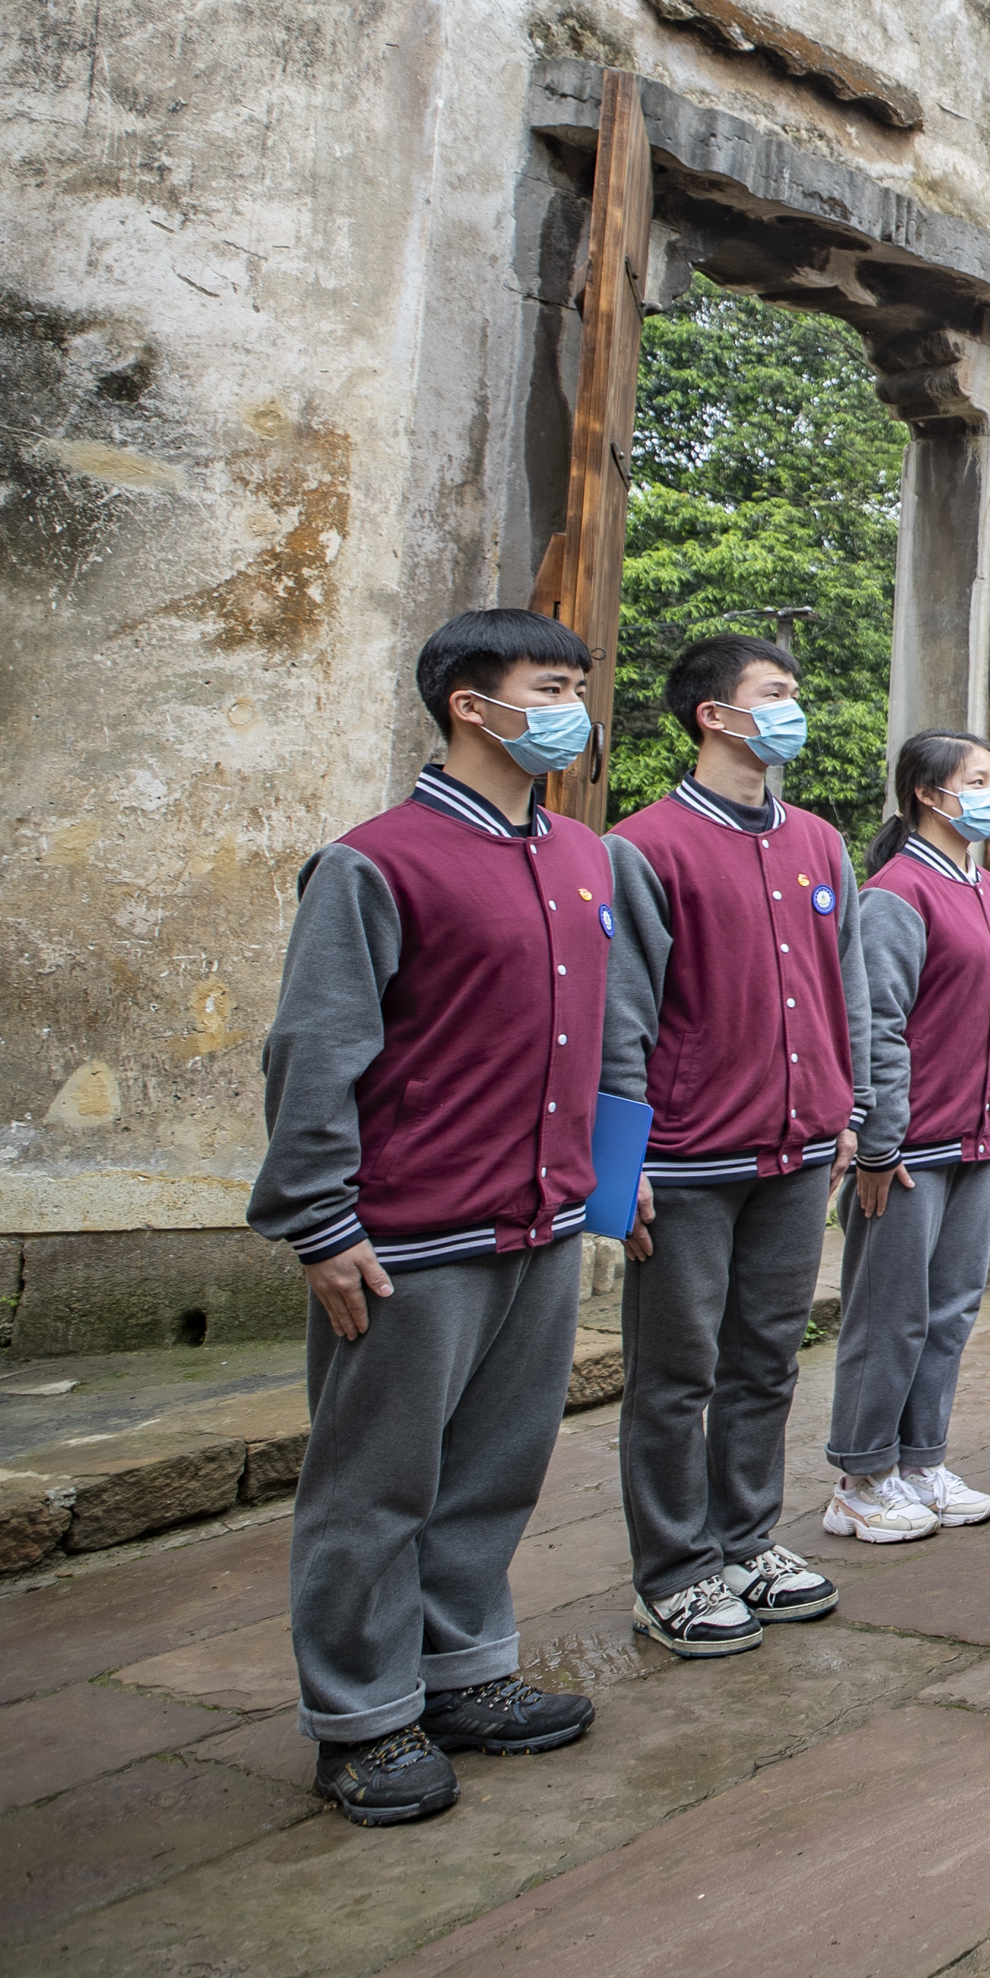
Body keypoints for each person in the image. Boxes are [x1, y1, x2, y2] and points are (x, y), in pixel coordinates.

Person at [250, 607, 609, 1827]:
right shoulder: (377, 862)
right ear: (471, 701)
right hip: (409, 1236)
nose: (574, 707)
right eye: (551, 685)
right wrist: (320, 1223)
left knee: (497, 1472)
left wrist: (606, 1181)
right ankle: (359, 1719)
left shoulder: (578, 856)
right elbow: (314, 1049)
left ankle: (462, 1677)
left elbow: (599, 1040)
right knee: (372, 1489)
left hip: (541, 1222)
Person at [603, 634, 858, 1659]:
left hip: (798, 1151)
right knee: (674, 1373)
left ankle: (746, 1539)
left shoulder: (820, 845)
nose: (794, 709)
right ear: (714, 713)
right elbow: (621, 1015)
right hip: (686, 1161)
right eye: (776, 694)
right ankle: (672, 1570)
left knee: (766, 1360)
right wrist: (617, 1178)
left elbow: (847, 989)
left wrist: (850, 1114)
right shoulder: (643, 847)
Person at [823, 731, 990, 1547]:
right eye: (976, 779)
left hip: (975, 1137)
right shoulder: (898, 894)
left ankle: (921, 1459)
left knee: (950, 1310)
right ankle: (861, 1473)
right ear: (927, 794)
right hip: (908, 1151)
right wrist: (880, 1141)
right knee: (890, 1312)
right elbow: (878, 1024)